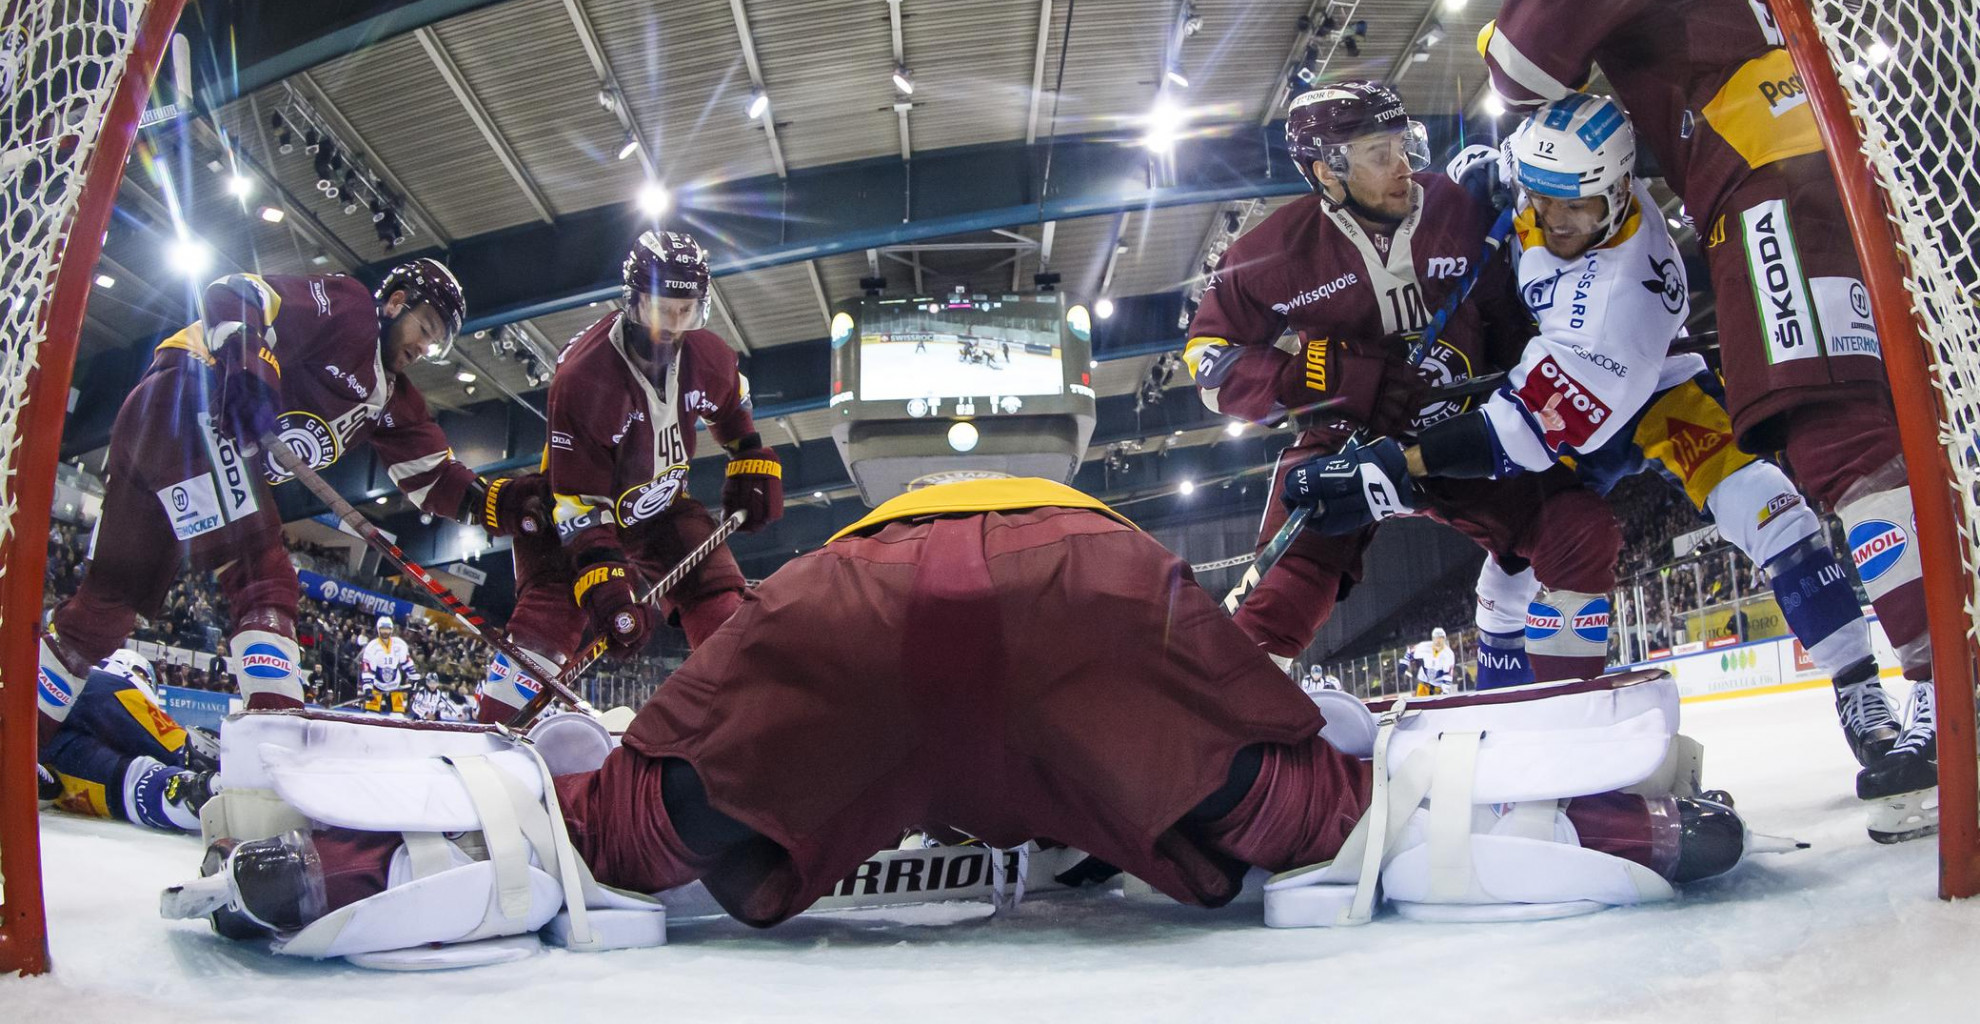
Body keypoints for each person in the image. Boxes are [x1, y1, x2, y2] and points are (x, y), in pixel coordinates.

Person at [172, 477, 1752, 955]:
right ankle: (1627, 818)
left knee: (606, 842)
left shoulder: (821, 555)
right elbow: (1259, 665)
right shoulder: (1091, 524)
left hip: (844, 613)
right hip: (1092, 592)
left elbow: (725, 655)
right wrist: (1308, 714)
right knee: (1341, 821)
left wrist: (609, 767)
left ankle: (337, 870)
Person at [1483, 0, 1939, 829]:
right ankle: (1901, 685)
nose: (1559, 213)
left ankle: (1932, 695)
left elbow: (1516, 65)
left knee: (1828, 453)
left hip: (1758, 194)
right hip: (1825, 161)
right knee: (1860, 441)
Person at [1299, 100, 1905, 781]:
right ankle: (1502, 714)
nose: (1557, 221)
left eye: (1578, 207)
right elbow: (1517, 182)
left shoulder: (1619, 302)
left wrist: (1392, 464)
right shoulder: (1558, 173)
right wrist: (1484, 185)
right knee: (1513, 561)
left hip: (1640, 392)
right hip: (1554, 374)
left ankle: (1861, 691)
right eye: (1542, 199)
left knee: (1771, 509)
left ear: (1620, 192)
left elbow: (1517, 434)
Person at [1182, 80, 1624, 670]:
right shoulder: (1275, 252)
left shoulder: (1458, 208)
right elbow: (1209, 360)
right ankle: (1246, 728)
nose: (1403, 166)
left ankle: (1562, 703)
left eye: (1403, 143)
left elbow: (1518, 314)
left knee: (1579, 530)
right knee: (1281, 600)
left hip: (1467, 437)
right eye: (1378, 153)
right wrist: (1309, 377)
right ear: (1326, 171)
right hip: (1347, 443)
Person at [35, 259, 542, 747]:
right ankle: (273, 760)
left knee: (107, 606)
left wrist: (515, 504)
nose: (426, 348)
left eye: (436, 342)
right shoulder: (347, 308)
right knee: (263, 577)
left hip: (160, 439)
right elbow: (236, 291)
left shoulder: (392, 400)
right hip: (188, 398)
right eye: (425, 328)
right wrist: (249, 368)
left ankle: (19, 742)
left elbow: (437, 478)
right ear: (396, 302)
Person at [475, 231, 784, 724]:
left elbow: (732, 404)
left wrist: (749, 456)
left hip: (659, 504)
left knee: (717, 589)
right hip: (569, 511)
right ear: (634, 301)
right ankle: (491, 727)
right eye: (663, 308)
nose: (674, 325)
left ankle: (750, 715)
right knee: (548, 620)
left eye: (687, 310)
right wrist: (605, 576)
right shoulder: (583, 378)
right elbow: (576, 502)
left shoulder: (710, 355)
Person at [38, 650, 214, 833]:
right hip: (85, 690)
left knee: (126, 785)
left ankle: (190, 794)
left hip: (46, 750)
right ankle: (222, 776)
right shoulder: (108, 682)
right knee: (185, 752)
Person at [360, 616, 417, 718]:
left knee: (398, 717)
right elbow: (367, 670)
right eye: (383, 629)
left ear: (391, 630)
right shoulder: (372, 647)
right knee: (371, 716)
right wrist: (368, 689)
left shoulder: (399, 644)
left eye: (387, 629)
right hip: (377, 685)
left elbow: (407, 663)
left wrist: (414, 679)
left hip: (395, 685)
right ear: (378, 629)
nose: (385, 632)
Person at [1410, 627, 1458, 696]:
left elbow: (1448, 674)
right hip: (1424, 683)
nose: (1438, 640)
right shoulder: (1425, 647)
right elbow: (1413, 653)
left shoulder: (1448, 654)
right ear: (1433, 638)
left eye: (1440, 638)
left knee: (1437, 704)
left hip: (1438, 685)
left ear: (1444, 639)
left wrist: (1445, 691)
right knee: (1421, 704)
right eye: (1436, 638)